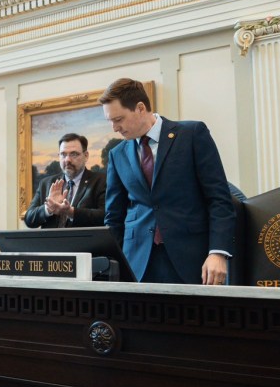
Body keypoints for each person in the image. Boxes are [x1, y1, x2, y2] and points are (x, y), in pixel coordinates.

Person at [99, 78, 234, 285]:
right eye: (110, 121)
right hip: (137, 262)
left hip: (193, 260)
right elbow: (114, 216)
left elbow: (219, 199)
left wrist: (218, 252)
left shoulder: (192, 135)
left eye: (118, 119)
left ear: (140, 108)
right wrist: (112, 263)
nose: (115, 128)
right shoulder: (117, 154)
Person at [24, 133, 107, 229]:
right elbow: (29, 219)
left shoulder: (101, 181)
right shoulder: (46, 183)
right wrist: (48, 208)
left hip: (85, 243)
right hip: (51, 243)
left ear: (86, 156)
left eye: (74, 154)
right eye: (63, 154)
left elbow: (106, 216)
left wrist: (71, 212)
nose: (67, 160)